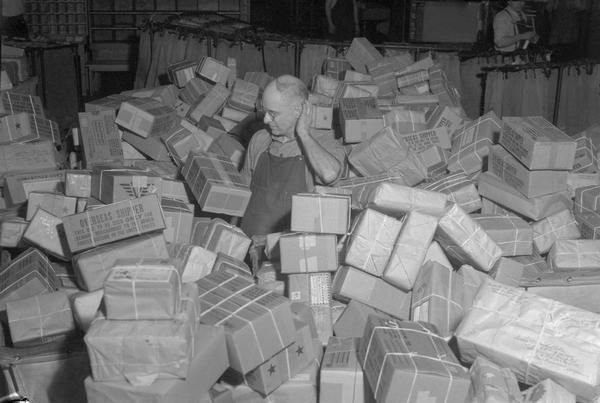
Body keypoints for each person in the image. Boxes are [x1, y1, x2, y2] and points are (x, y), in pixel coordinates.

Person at [240, 75, 345, 238]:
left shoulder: (322, 143)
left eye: (273, 114)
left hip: (289, 253)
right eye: (265, 111)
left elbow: (330, 175)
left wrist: (303, 133)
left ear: (299, 111)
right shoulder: (260, 139)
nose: (266, 120)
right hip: (248, 244)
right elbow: (242, 190)